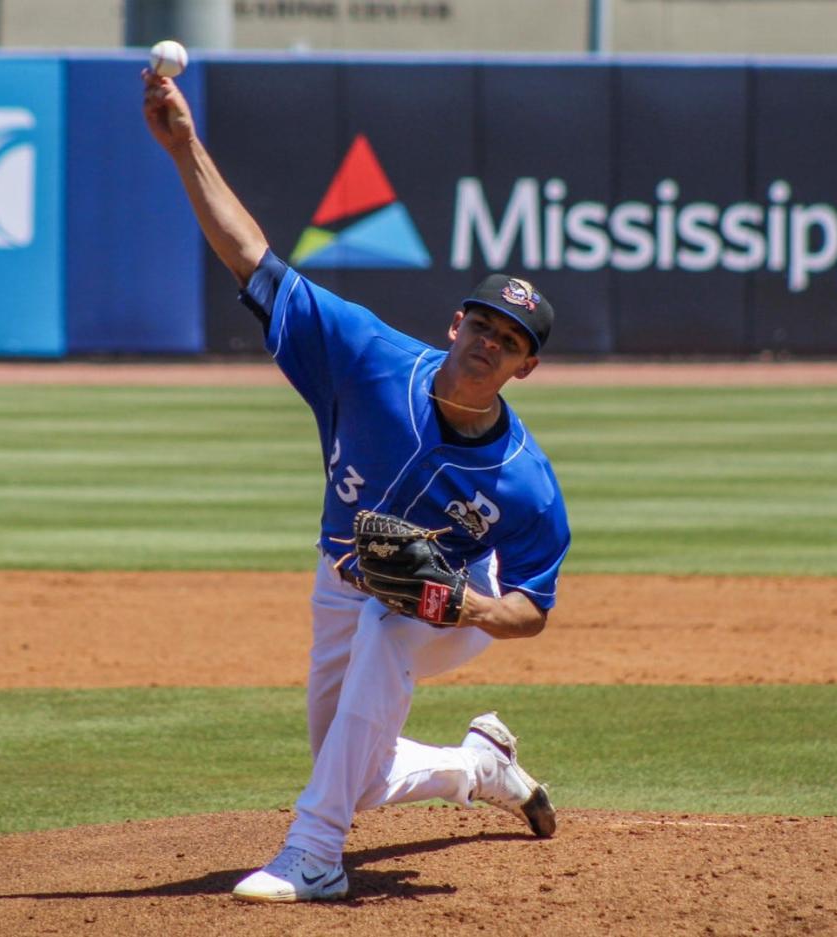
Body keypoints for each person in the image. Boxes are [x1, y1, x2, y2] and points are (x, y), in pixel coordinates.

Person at [142, 70, 571, 903]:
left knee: (391, 620)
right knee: (354, 764)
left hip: (452, 604)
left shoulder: (525, 481)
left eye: (508, 339)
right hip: (339, 579)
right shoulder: (368, 358)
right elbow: (254, 261)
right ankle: (479, 765)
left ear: (527, 365)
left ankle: (314, 853)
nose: (488, 342)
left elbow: (532, 607)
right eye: (480, 323)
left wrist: (466, 605)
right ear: (456, 323)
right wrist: (184, 147)